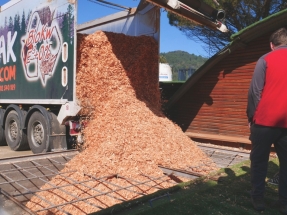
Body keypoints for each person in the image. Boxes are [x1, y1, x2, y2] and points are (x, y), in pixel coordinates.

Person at [246, 27, 287, 214]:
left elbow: (255, 92)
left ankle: (258, 200)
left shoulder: (265, 59)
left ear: (272, 45)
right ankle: (284, 201)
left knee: (259, 162)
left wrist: (251, 116)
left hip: (264, 121)